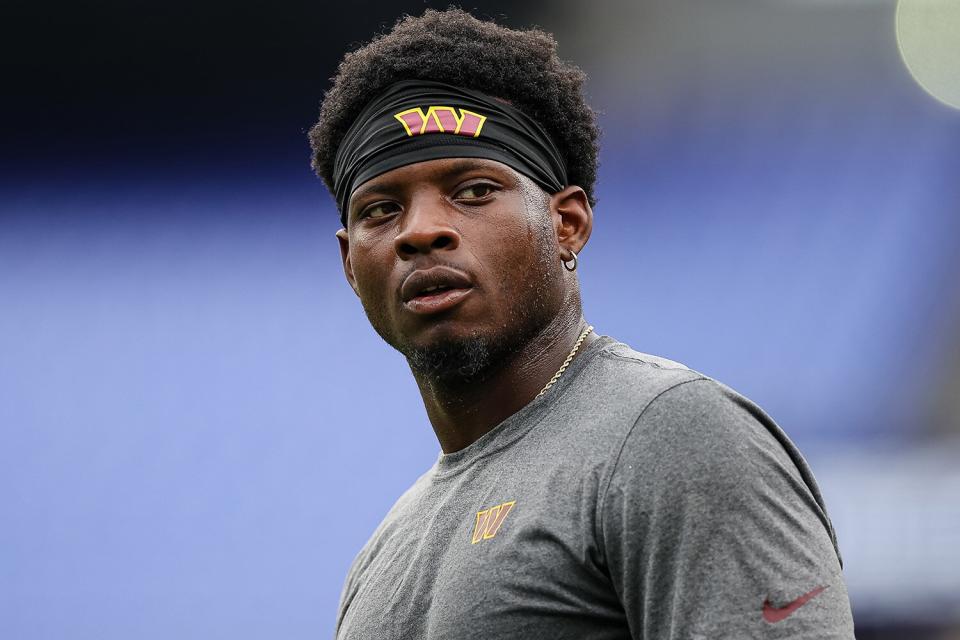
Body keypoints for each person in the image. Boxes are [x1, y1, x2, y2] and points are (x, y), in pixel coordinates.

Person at [308, 8, 855, 639]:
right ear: (351, 263)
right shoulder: (381, 556)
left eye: (475, 190)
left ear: (567, 224)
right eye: (382, 208)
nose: (421, 231)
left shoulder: (674, 437)